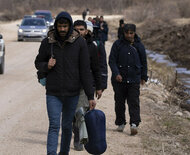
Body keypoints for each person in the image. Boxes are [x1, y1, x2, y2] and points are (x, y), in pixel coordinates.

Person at [35, 11, 96, 155]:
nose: (62, 29)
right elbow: (38, 62)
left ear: (70, 26)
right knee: (54, 125)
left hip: (72, 93)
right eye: (60, 26)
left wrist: (90, 96)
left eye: (65, 26)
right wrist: (47, 66)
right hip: (53, 93)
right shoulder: (47, 42)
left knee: (67, 126)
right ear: (56, 26)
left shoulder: (80, 43)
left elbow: (85, 71)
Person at [108, 24, 148, 136]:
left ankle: (134, 124)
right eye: (127, 33)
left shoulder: (139, 45)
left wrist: (144, 77)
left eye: (131, 33)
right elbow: (112, 61)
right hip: (119, 81)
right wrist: (116, 73)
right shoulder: (117, 44)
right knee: (119, 103)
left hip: (134, 79)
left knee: (134, 102)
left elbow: (144, 62)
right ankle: (120, 122)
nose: (129, 35)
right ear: (123, 33)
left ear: (134, 33)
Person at [72, 20, 104, 151]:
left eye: (81, 29)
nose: (79, 32)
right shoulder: (68, 45)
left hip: (85, 86)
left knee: (81, 113)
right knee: (71, 115)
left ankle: (78, 139)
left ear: (86, 31)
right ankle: (76, 133)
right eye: (76, 29)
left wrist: (99, 86)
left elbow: (97, 68)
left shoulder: (92, 47)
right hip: (69, 85)